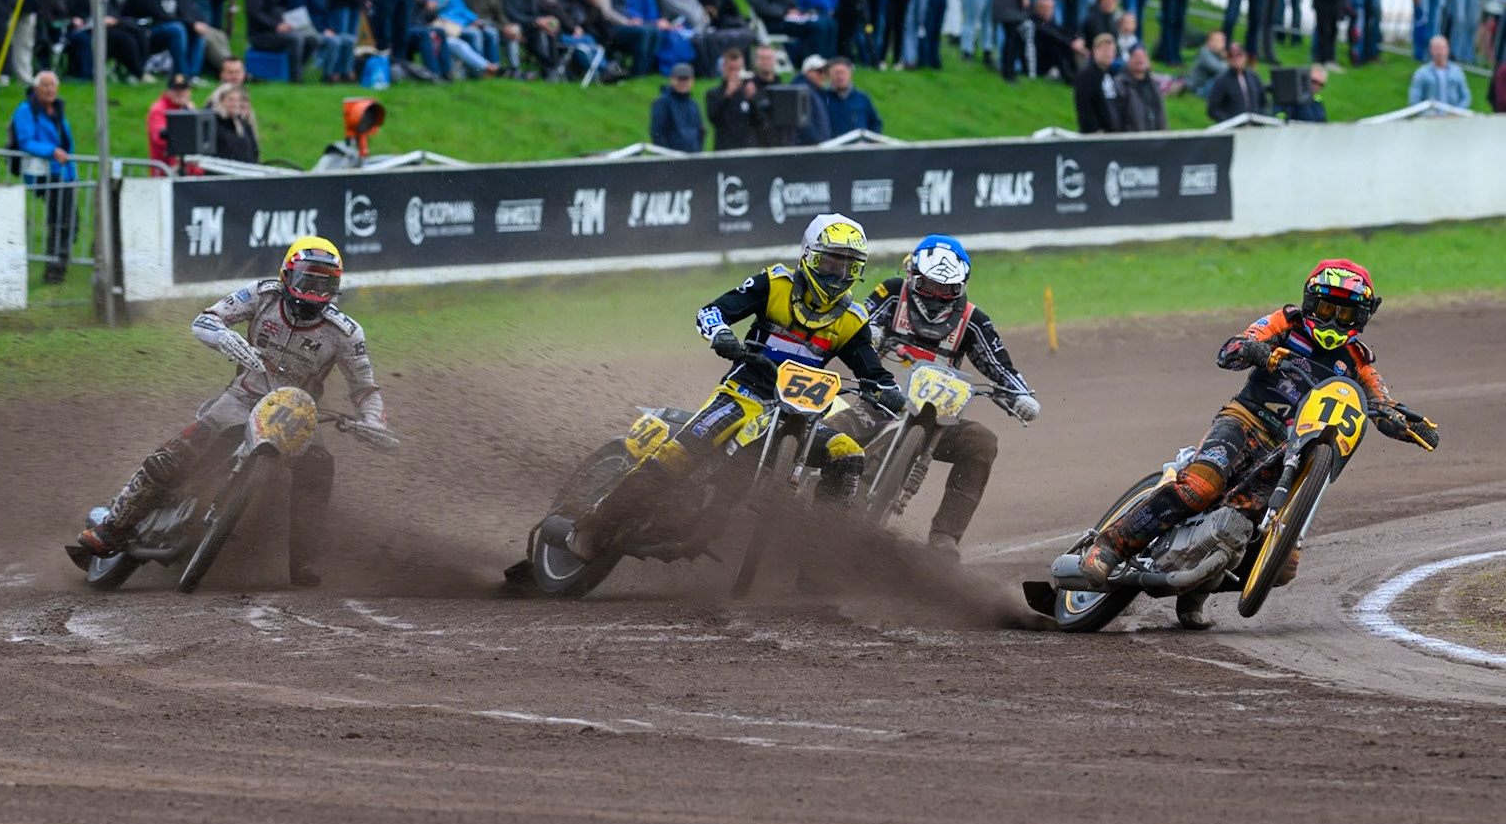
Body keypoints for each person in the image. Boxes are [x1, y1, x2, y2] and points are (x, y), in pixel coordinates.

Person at [1076, 260, 1439, 629]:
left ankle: (1198, 586)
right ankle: (1111, 545)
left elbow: (1381, 403)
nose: (1331, 320)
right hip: (1245, 421)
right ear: (1311, 303)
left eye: (1343, 313)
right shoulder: (1286, 324)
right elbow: (1232, 348)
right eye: (1326, 309)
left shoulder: (1359, 362)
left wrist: (1404, 423)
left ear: (1360, 317)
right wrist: (1255, 351)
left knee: (1283, 566)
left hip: (1290, 451)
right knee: (1202, 485)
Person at [549, 216, 898, 566]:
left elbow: (874, 371)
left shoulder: (853, 320)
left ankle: (821, 554)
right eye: (830, 263)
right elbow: (712, 311)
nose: (837, 275)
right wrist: (722, 336)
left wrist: (891, 393)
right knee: (679, 455)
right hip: (744, 393)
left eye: (848, 268)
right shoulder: (774, 284)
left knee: (849, 454)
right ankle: (594, 525)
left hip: (802, 414)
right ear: (808, 256)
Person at [75, 238, 392, 588]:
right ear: (286, 276)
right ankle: (112, 526)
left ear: (336, 287)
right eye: (306, 280)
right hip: (242, 398)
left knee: (319, 467)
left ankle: (303, 562)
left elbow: (365, 389)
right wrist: (223, 337)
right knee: (179, 451)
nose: (313, 291)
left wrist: (372, 422)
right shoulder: (261, 294)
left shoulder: (346, 333)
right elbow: (205, 320)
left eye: (324, 284)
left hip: (298, 413)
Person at [824, 235, 1037, 558]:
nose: (937, 296)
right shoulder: (893, 292)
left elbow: (1000, 367)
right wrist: (870, 332)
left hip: (938, 421)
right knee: (832, 432)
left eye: (946, 289)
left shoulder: (974, 321)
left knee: (981, 441)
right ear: (913, 276)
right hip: (881, 404)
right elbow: (858, 317)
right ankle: (799, 497)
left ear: (961, 286)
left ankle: (945, 537)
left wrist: (1020, 395)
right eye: (930, 286)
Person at [7, 72, 76, 283]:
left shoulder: (57, 111)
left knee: (71, 219)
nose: (50, 89)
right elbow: (26, 141)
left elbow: (68, 146)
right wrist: (51, 151)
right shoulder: (26, 110)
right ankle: (54, 269)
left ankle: (59, 265)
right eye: (45, 85)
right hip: (40, 172)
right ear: (36, 89)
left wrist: (73, 178)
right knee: (60, 218)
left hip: (61, 172)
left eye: (53, 85)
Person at [123, 0, 210, 81]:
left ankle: (193, 75)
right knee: (177, 29)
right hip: (143, 32)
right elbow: (160, 15)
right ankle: (181, 74)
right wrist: (190, 24)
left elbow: (185, 8)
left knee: (196, 32)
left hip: (164, 27)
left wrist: (195, 23)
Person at [288, 0, 360, 82]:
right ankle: (327, 75)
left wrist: (330, 29)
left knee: (350, 40)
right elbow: (304, 17)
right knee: (334, 42)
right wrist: (323, 30)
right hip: (309, 31)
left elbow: (327, 14)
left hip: (324, 30)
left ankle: (346, 73)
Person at [246, 0, 316, 82]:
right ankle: (295, 80)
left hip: (281, 29)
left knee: (312, 39)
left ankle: (298, 69)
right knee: (296, 39)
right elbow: (255, 13)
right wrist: (276, 26)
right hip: (261, 34)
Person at [704, 46, 765, 150]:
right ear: (723, 68)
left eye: (738, 69)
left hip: (748, 148)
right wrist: (727, 96)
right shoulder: (714, 94)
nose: (735, 73)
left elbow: (760, 122)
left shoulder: (749, 91)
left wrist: (752, 100)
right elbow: (714, 120)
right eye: (731, 69)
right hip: (725, 148)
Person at [146, 73, 196, 173]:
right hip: (165, 172)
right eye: (176, 90)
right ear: (168, 91)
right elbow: (160, 140)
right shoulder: (158, 110)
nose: (180, 93)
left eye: (184, 90)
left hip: (187, 169)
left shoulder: (188, 108)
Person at [649, 62, 705, 151]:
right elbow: (657, 133)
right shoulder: (662, 103)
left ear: (692, 81)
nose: (683, 82)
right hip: (671, 159)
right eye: (680, 79)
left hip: (693, 158)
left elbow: (700, 131)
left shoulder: (694, 104)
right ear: (671, 79)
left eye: (686, 79)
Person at [1207, 41, 1266, 122]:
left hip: (1256, 126)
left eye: (1239, 55)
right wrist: (1229, 121)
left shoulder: (1253, 77)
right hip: (1234, 128)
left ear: (1245, 56)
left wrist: (1261, 117)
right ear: (1228, 59)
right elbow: (1212, 109)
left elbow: (1263, 102)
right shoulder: (1222, 80)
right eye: (1231, 56)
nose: (1236, 58)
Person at [1408, 35, 1472, 108]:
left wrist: (1457, 111)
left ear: (1448, 49)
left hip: (1453, 117)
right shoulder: (1422, 73)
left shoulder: (1457, 72)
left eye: (1442, 48)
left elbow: (1465, 97)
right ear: (1431, 50)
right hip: (1429, 117)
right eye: (1436, 49)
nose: (1440, 52)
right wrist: (1425, 113)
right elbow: (1414, 98)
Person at [822, 56, 881, 135]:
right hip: (832, 146)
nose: (840, 77)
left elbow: (875, 123)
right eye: (836, 73)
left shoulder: (862, 98)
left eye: (843, 72)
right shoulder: (822, 98)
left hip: (859, 145)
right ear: (829, 75)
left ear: (850, 74)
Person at [1072, 32, 1119, 132]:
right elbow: (1084, 108)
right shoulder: (1086, 76)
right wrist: (1095, 131)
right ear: (1095, 51)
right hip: (1096, 137)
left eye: (1111, 50)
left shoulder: (1112, 74)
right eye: (1105, 50)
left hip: (1113, 135)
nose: (1108, 54)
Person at [1115, 44, 1165, 131]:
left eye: (1143, 55)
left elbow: (1161, 113)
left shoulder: (1153, 84)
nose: (1140, 59)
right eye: (1136, 56)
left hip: (1155, 139)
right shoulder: (1121, 84)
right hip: (1132, 140)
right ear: (1129, 60)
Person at [208, 82, 261, 163]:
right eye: (231, 100)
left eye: (238, 100)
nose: (235, 104)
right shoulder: (213, 125)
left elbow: (254, 151)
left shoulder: (243, 125)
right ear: (221, 101)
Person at [794, 54, 834, 144]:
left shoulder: (813, 90)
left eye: (825, 72)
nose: (823, 75)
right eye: (819, 71)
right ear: (807, 72)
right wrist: (816, 142)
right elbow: (803, 126)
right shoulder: (802, 90)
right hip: (810, 149)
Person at [1185, 28, 1228, 96]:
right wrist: (1228, 60)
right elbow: (1217, 68)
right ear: (1208, 42)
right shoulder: (1204, 52)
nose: (1220, 43)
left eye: (1222, 41)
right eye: (1217, 40)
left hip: (1206, 85)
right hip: (1198, 87)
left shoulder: (1218, 54)